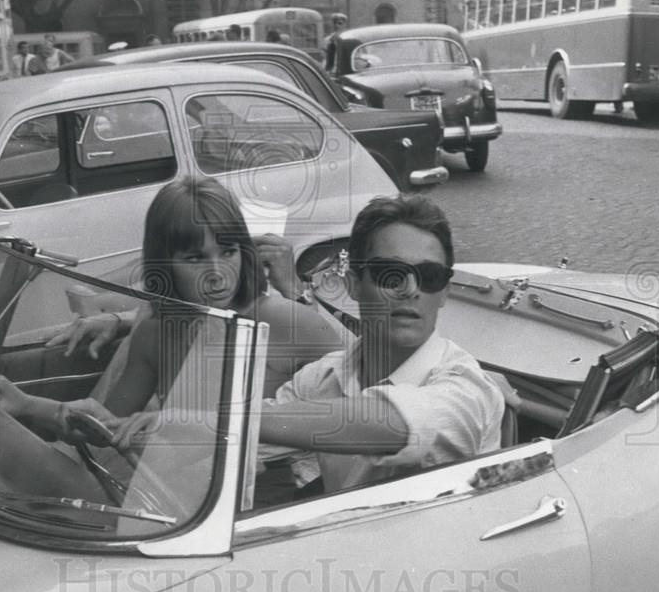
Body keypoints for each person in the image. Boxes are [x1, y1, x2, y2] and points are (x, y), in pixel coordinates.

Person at [110, 193, 507, 497]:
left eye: (430, 276)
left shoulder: (468, 387)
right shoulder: (323, 377)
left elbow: (388, 423)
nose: (410, 289)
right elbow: (234, 441)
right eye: (390, 273)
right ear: (353, 284)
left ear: (444, 293)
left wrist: (221, 420)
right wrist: (145, 434)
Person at [0, 176, 347, 500]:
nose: (217, 274)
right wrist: (27, 404)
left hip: (276, 498)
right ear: (164, 264)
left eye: (229, 252)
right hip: (188, 498)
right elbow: (110, 431)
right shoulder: (155, 334)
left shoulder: (283, 319)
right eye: (195, 258)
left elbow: (359, 394)